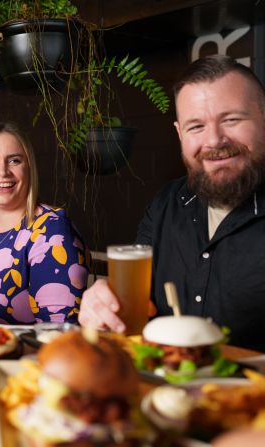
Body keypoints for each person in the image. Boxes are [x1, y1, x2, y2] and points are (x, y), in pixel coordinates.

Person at [79, 55, 265, 351]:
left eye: (231, 119)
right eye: (196, 126)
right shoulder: (167, 203)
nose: (214, 140)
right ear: (180, 134)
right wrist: (104, 304)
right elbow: (137, 307)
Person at [0, 123, 89, 324]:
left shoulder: (51, 230)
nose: (2, 171)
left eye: (14, 160)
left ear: (29, 169)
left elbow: (57, 331)